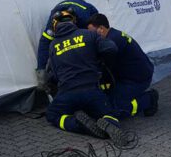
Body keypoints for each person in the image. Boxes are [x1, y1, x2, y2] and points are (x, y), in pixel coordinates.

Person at [45, 11, 126, 144]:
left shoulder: (53, 45)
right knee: (108, 112)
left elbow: (53, 74)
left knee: (53, 115)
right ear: (73, 22)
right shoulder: (89, 34)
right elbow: (111, 48)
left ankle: (77, 124)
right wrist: (100, 63)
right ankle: (110, 122)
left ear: (55, 26)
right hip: (92, 90)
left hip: (68, 92)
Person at [86, 13, 158, 119]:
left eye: (92, 32)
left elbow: (102, 65)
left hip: (137, 80)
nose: (90, 36)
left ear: (101, 29)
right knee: (107, 98)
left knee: (118, 109)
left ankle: (149, 99)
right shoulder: (113, 35)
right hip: (130, 76)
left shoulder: (112, 42)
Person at [36, 0, 99, 88]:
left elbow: (92, 38)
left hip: (85, 9)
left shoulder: (84, 19)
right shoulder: (52, 22)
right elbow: (44, 43)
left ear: (74, 21)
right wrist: (41, 70)